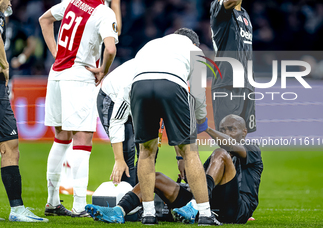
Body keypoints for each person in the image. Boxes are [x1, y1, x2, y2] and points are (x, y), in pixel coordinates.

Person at [39, 0, 121, 217]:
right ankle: (78, 206)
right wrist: (103, 72)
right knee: (83, 138)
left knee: (61, 136)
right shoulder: (103, 11)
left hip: (57, 73)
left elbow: (44, 19)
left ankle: (52, 202)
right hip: (79, 74)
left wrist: (56, 52)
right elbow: (111, 48)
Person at [85, 115, 263, 225]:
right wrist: (188, 181)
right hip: (209, 207)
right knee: (156, 178)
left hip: (237, 211)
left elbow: (228, 147)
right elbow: (200, 184)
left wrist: (207, 128)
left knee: (220, 153)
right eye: (223, 129)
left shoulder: (251, 150)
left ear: (244, 132)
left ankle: (195, 207)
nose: (226, 133)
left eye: (231, 129)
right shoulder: (215, 160)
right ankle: (119, 211)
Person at [120, 28, 220, 225]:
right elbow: (198, 94)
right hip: (172, 85)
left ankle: (148, 214)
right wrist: (200, 120)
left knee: (146, 151)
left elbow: (128, 83)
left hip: (139, 87)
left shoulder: (149, 45)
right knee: (190, 152)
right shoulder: (195, 51)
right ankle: (206, 214)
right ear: (194, 43)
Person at [0, 0, 48, 222]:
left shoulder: (10, 21)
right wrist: (6, 65)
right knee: (10, 146)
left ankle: (17, 208)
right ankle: (17, 209)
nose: (10, 3)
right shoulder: (1, 18)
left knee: (8, 146)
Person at [210, 0, 257, 133]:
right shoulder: (218, 5)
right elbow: (231, 0)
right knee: (228, 137)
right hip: (227, 84)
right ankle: (219, 159)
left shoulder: (245, 15)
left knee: (242, 136)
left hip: (246, 84)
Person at [97, 58, 138, 186]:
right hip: (112, 97)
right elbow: (117, 121)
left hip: (136, 97)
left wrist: (181, 158)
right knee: (127, 151)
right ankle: (130, 202)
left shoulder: (194, 62)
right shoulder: (129, 86)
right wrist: (119, 159)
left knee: (149, 153)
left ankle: (142, 199)